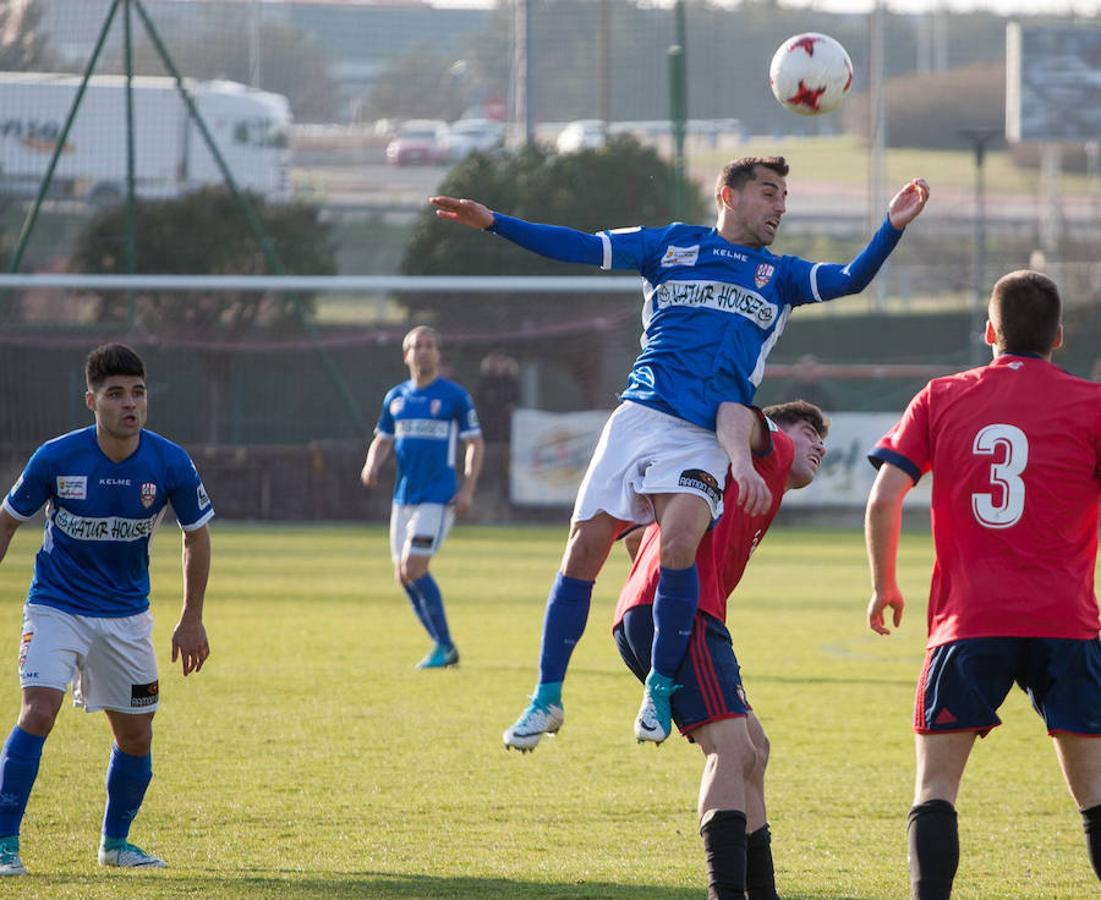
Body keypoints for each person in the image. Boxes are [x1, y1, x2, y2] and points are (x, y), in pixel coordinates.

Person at [431, 157, 929, 750]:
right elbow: (579, 247)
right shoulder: (669, 245)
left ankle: (660, 688)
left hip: (704, 431)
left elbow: (849, 278)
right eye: (769, 193)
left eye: (785, 196)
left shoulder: (781, 275)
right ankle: (546, 698)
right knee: (583, 549)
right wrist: (495, 223)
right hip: (640, 415)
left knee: (677, 543)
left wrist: (891, 227)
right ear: (728, 194)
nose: (780, 206)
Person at [864, 270, 1101, 898]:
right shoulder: (1093, 403)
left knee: (935, 790)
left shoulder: (942, 395)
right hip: (1067, 621)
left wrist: (883, 583)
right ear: (1058, 336)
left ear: (989, 332)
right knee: (1096, 798)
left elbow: (885, 497)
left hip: (967, 621)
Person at [0, 343, 214, 876]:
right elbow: (7, 520)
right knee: (39, 711)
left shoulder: (169, 462)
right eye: (115, 394)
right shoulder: (56, 457)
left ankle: (115, 845)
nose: (129, 404)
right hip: (56, 606)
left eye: (137, 393)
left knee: (137, 735)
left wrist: (191, 618)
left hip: (126, 617)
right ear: (90, 400)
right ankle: (4, 845)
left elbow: (197, 536)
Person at [615, 400, 829, 899]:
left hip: (667, 614)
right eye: (809, 431)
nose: (819, 443)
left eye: (824, 439)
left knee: (754, 749)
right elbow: (733, 411)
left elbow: (636, 539)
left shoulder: (759, 483)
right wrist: (740, 460)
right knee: (731, 751)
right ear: (780, 430)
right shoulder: (766, 451)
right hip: (681, 616)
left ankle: (762, 892)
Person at [360, 326, 484, 669]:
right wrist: (372, 464)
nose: (424, 351)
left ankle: (444, 647)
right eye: (418, 346)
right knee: (403, 574)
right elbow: (383, 438)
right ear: (406, 355)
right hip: (404, 498)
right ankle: (442, 646)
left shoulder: (454, 397)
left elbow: (475, 443)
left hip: (438, 497)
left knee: (414, 567)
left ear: (438, 354)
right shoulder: (395, 398)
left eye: (430, 345)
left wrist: (468, 489)